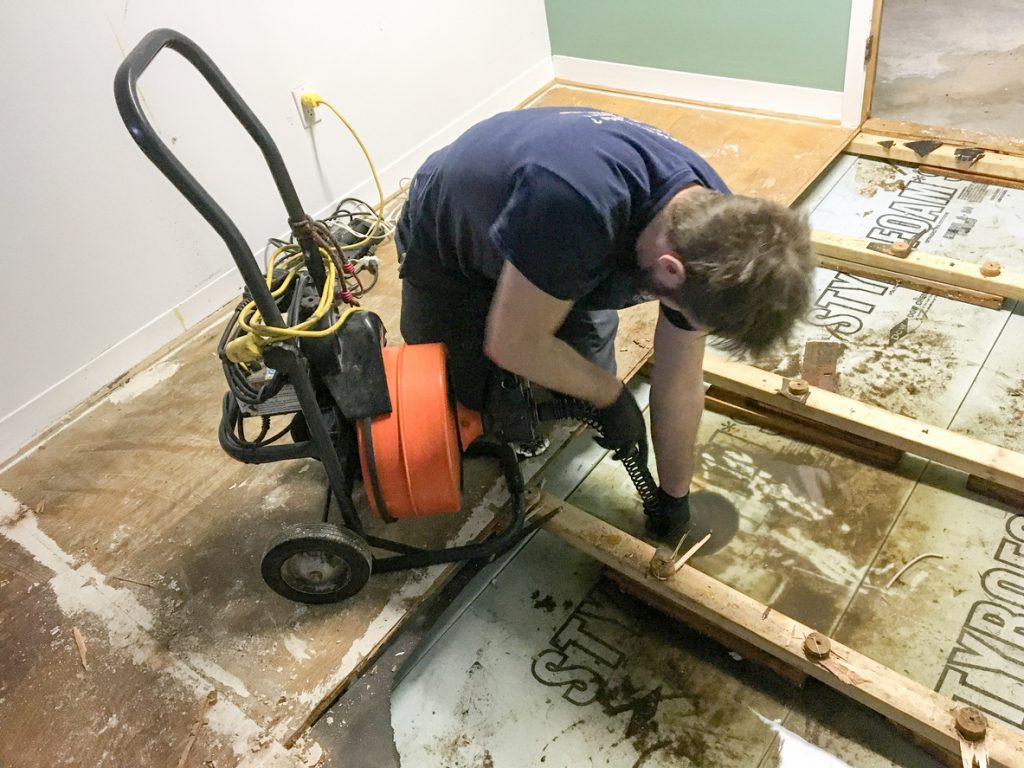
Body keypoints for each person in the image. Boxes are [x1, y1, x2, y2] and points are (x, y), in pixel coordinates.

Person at [395, 107, 814, 538]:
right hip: (455, 236)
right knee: (454, 396)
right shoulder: (574, 207)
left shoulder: (718, 236)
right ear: (670, 270)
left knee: (570, 386)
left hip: (557, 241)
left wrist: (674, 496)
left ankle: (540, 299)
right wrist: (610, 397)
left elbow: (681, 377)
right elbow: (512, 344)